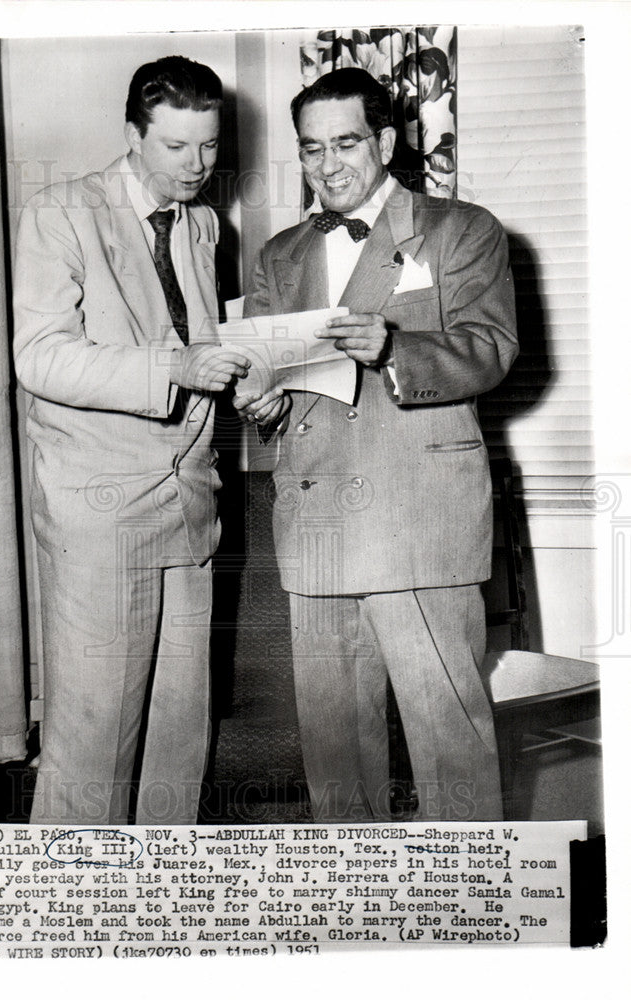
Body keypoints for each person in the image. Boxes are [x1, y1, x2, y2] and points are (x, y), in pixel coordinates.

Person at [236, 67, 518, 822]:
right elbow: (272, 389)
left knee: (446, 740)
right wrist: (258, 402)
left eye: (346, 143)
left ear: (386, 141)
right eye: (310, 148)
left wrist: (393, 348)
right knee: (334, 754)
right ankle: (357, 911)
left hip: (415, 519)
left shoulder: (462, 229)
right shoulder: (278, 255)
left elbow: (490, 348)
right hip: (317, 526)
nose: (327, 164)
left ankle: (468, 905)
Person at [13, 56, 250, 825]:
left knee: (180, 737)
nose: (196, 166)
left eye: (209, 147)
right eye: (176, 148)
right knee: (93, 740)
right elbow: (38, 356)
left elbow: (200, 342)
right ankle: (63, 919)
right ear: (132, 135)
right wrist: (171, 367)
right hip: (100, 511)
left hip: (188, 502)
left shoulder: (205, 223)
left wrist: (249, 377)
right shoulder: (62, 211)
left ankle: (158, 916)